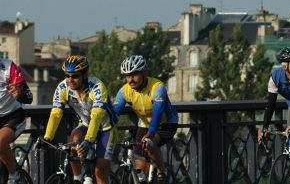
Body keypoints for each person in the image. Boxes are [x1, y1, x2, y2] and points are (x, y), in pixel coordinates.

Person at [42, 55, 115, 184]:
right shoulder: (63, 88)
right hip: (86, 124)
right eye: (67, 75)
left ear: (84, 74)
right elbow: (56, 114)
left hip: (105, 127)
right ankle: (78, 178)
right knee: (74, 142)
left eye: (75, 76)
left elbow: (97, 116)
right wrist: (47, 137)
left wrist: (88, 141)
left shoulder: (97, 87)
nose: (70, 80)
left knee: (100, 171)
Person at [110, 55, 179, 183]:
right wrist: (105, 130)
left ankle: (161, 172)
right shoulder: (124, 91)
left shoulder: (157, 87)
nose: (131, 80)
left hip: (167, 123)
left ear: (144, 73)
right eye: (127, 75)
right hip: (145, 124)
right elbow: (114, 114)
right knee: (138, 161)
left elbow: (158, 112)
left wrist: (152, 132)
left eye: (134, 75)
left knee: (149, 143)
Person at [0, 58, 32, 184]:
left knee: (0, 141)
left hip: (12, 117)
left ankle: (14, 176)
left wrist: (20, 93)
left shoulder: (8, 67)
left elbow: (29, 97)